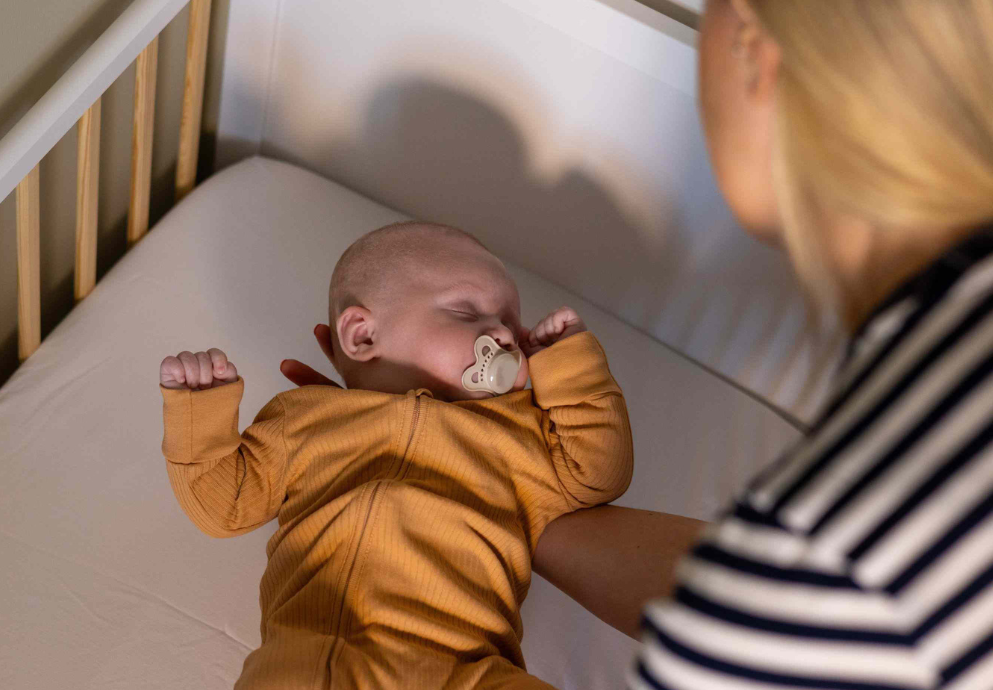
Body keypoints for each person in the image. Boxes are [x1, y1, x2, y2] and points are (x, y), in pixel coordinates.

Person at [281, 0, 993, 687]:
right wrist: (456, 476)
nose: (503, 335)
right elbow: (747, 588)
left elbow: (766, 597)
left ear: (754, 47)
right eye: (467, 310)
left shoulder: (820, 569)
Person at [158, 222, 633, 688]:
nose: (506, 335)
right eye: (469, 313)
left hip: (468, 667)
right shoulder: (303, 416)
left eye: (510, 321)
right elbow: (226, 505)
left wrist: (568, 366)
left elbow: (597, 474)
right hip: (315, 657)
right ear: (363, 336)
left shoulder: (521, 432)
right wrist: (202, 415)